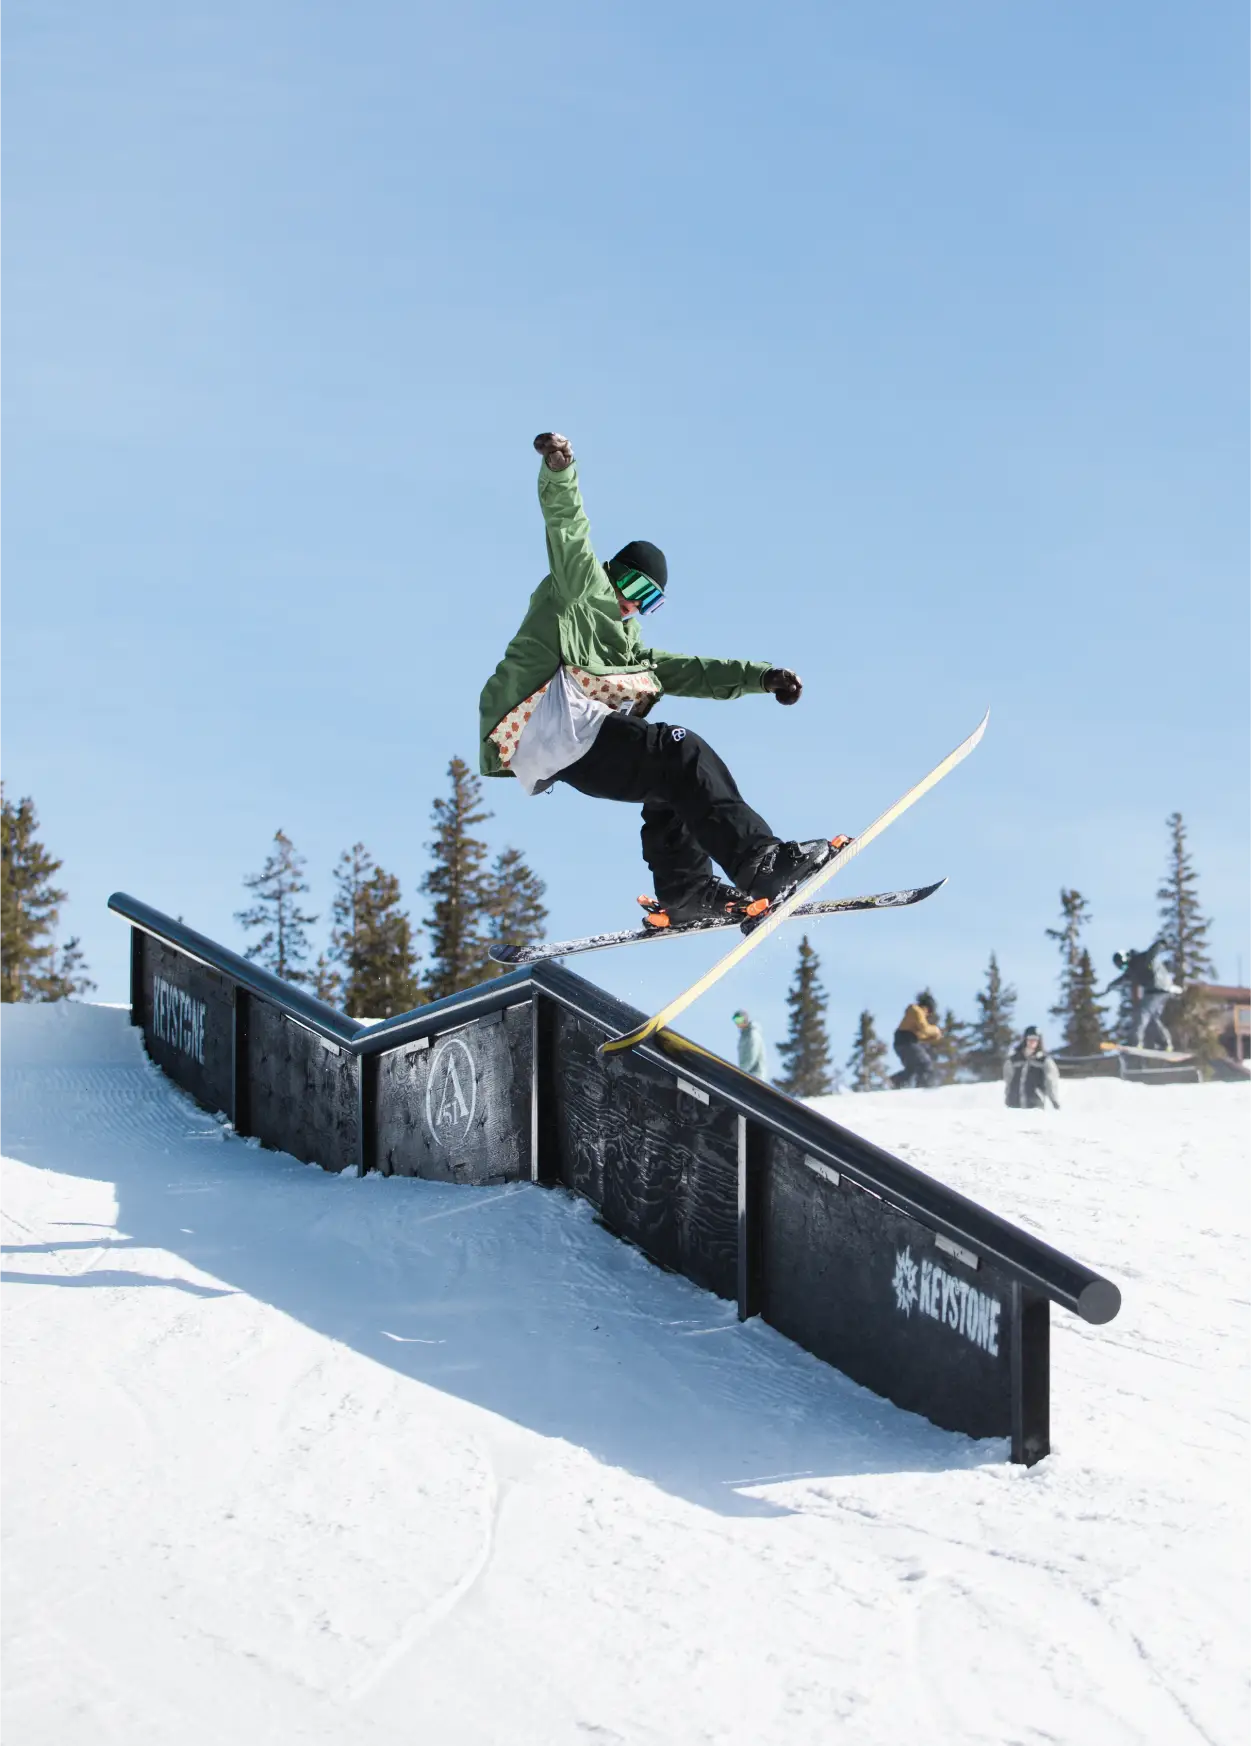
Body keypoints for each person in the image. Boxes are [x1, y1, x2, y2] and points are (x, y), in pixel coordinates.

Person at [478, 433, 848, 925]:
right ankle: (760, 861)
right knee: (680, 749)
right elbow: (567, 530)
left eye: (647, 601)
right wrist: (560, 472)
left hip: (569, 747)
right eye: (630, 587)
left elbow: (688, 670)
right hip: (545, 718)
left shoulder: (627, 649)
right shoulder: (579, 590)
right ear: (612, 573)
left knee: (672, 781)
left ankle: (687, 891)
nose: (632, 604)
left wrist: (762, 677)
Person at [1099, 939, 1180, 1050]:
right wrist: (1110, 986)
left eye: (1123, 965)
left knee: (1142, 1012)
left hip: (1159, 987)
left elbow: (1152, 952)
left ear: (1126, 958)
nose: (1124, 968)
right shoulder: (1131, 969)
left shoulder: (1141, 959)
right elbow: (1123, 978)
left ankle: (1135, 1041)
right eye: (1121, 968)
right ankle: (1165, 1043)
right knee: (1152, 1018)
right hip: (1154, 990)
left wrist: (1161, 944)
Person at [1003, 1026, 1061, 1110]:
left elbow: (1051, 1082)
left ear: (1039, 1041)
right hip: (1014, 1106)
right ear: (1025, 1039)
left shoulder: (1044, 1061)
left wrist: (1054, 1100)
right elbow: (1008, 1081)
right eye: (1030, 1038)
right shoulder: (1013, 1060)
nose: (1032, 1042)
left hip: (1034, 1106)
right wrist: (1008, 1097)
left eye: (1035, 1039)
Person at [891, 993, 941, 1088]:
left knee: (913, 1069)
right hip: (906, 1041)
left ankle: (895, 1081)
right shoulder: (916, 1010)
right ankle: (924, 1088)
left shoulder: (915, 1014)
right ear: (927, 1007)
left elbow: (920, 1035)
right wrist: (935, 1030)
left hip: (903, 1042)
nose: (928, 1015)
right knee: (925, 1064)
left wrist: (931, 1037)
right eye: (929, 1012)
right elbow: (924, 1028)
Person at [732, 1009, 766, 1078]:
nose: (737, 1023)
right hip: (747, 1073)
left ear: (745, 1019)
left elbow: (752, 1056)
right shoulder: (743, 1036)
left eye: (739, 1020)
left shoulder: (753, 1035)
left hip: (755, 1075)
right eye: (735, 1020)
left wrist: (741, 1072)